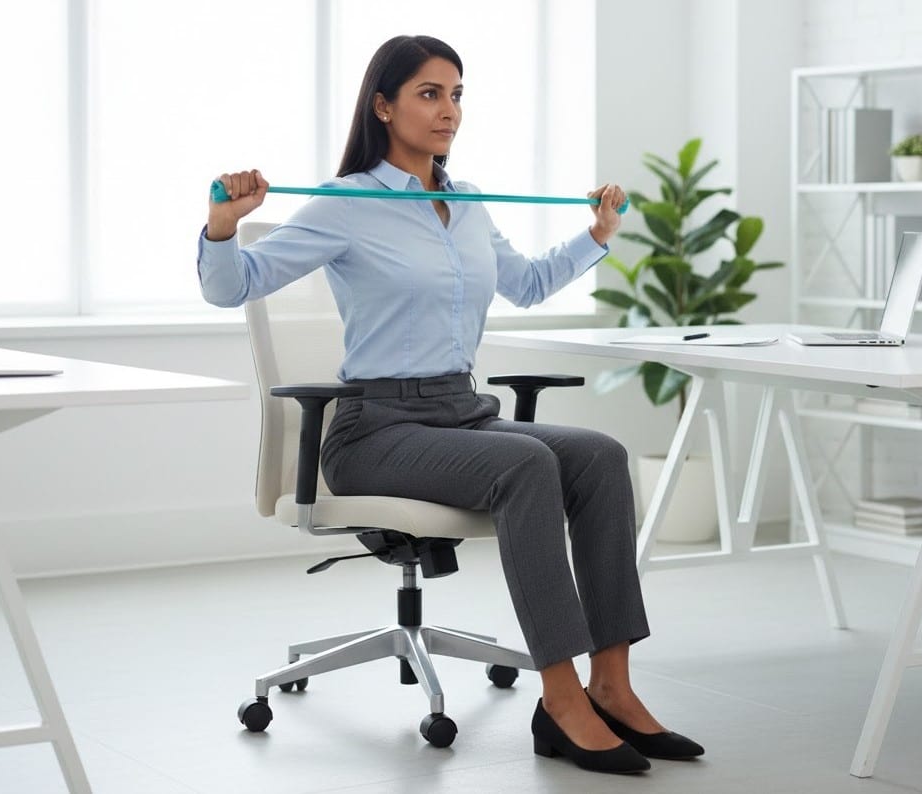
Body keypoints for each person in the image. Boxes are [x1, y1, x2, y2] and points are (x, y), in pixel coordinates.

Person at [197, 34, 702, 775]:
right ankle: (560, 702)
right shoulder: (347, 205)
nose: (448, 110)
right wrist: (222, 225)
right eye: (429, 94)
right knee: (527, 463)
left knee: (601, 455)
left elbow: (525, 284)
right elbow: (229, 286)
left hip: (460, 414)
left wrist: (597, 236)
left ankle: (612, 686)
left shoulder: (464, 204)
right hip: (375, 429)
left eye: (457, 94)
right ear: (384, 105)